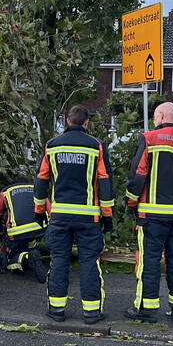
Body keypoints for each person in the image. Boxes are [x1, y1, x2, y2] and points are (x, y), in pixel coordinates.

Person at [123, 102, 173, 324]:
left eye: (155, 116)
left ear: (160, 115)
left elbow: (138, 175)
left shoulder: (149, 139)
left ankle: (147, 309)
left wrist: (131, 205)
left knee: (149, 261)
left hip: (151, 216)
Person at [34, 105, 114, 324]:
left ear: (67, 121)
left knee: (59, 260)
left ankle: (57, 310)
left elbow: (41, 180)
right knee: (89, 261)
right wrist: (107, 216)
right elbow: (105, 182)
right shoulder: (96, 146)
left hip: (59, 215)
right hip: (89, 217)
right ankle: (91, 312)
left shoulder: (52, 146)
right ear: (86, 122)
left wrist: (39, 211)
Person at [0, 180, 48, 283]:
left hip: (18, 231)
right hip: (41, 227)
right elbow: (50, 207)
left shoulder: (6, 191)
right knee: (29, 241)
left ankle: (27, 257)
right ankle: (31, 253)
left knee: (12, 261)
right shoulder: (35, 187)